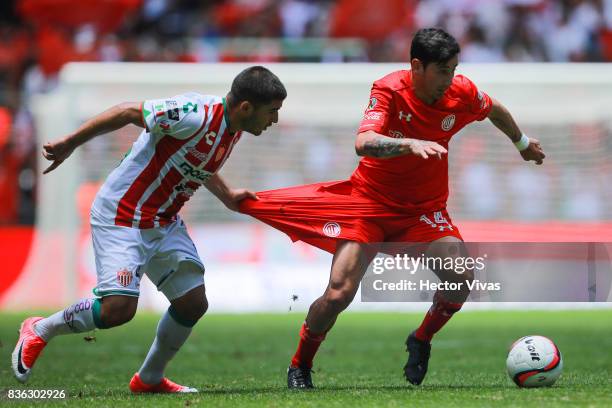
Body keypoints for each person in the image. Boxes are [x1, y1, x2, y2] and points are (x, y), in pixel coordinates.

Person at [239, 28, 545, 388]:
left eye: (453, 69)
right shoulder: (388, 90)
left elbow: (493, 109)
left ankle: (421, 338)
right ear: (417, 66)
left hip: (422, 211)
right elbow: (363, 142)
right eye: (443, 71)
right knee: (338, 293)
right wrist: (409, 144)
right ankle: (299, 365)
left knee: (461, 278)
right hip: (369, 206)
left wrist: (521, 142)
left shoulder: (460, 91)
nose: (450, 79)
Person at [11, 66, 286, 393]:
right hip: (122, 214)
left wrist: (226, 195)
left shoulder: (234, 127)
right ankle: (40, 329)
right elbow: (128, 111)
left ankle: (149, 379)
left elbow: (197, 161)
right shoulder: (194, 114)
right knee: (118, 310)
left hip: (163, 221)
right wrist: (70, 143)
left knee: (192, 303)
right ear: (246, 107)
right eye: (272, 112)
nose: (275, 120)